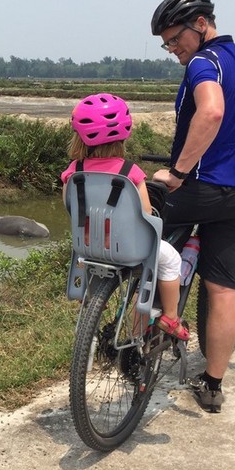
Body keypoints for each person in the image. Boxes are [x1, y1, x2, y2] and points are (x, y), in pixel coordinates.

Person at [150, 0, 235, 413]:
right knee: (223, 285)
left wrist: (179, 171)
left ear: (200, 25)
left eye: (175, 40)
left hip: (195, 188)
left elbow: (212, 111)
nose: (172, 49)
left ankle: (134, 350)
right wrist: (233, 156)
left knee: (150, 258)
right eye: (166, 44)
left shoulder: (205, 62)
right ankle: (212, 384)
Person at [61, 93, 188, 341]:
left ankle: (93, 299)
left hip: (88, 246)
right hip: (130, 249)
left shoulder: (73, 171)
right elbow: (147, 213)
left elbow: (69, 205)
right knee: (171, 258)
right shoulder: (130, 172)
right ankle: (171, 318)